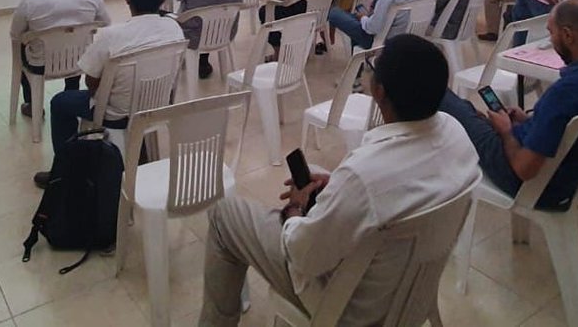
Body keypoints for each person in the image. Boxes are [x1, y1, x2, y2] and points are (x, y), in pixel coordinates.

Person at [198, 34, 479, 326]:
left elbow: (302, 256)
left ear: (379, 91)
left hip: (348, 307)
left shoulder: (364, 174)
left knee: (224, 215)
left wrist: (294, 210)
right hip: (409, 294)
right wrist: (337, 185)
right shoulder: (457, 136)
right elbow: (395, 192)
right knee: (319, 175)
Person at [438, 0, 578, 209]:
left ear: (568, 35)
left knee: (446, 101)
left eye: (551, 33)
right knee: (473, 114)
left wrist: (506, 132)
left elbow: (524, 169)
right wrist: (530, 121)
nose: (550, 40)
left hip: (536, 187)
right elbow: (568, 129)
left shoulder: (565, 93)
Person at [34, 0, 184, 187]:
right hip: (155, 107)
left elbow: (91, 81)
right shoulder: (174, 28)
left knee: (59, 102)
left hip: (115, 114)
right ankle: (139, 153)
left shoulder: (112, 36)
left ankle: (64, 173)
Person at [10, 0, 111, 118]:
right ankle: (70, 91)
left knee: (21, 48)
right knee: (75, 44)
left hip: (41, 64)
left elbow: (15, 34)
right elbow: (105, 23)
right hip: (79, 60)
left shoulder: (31, 0)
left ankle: (32, 104)